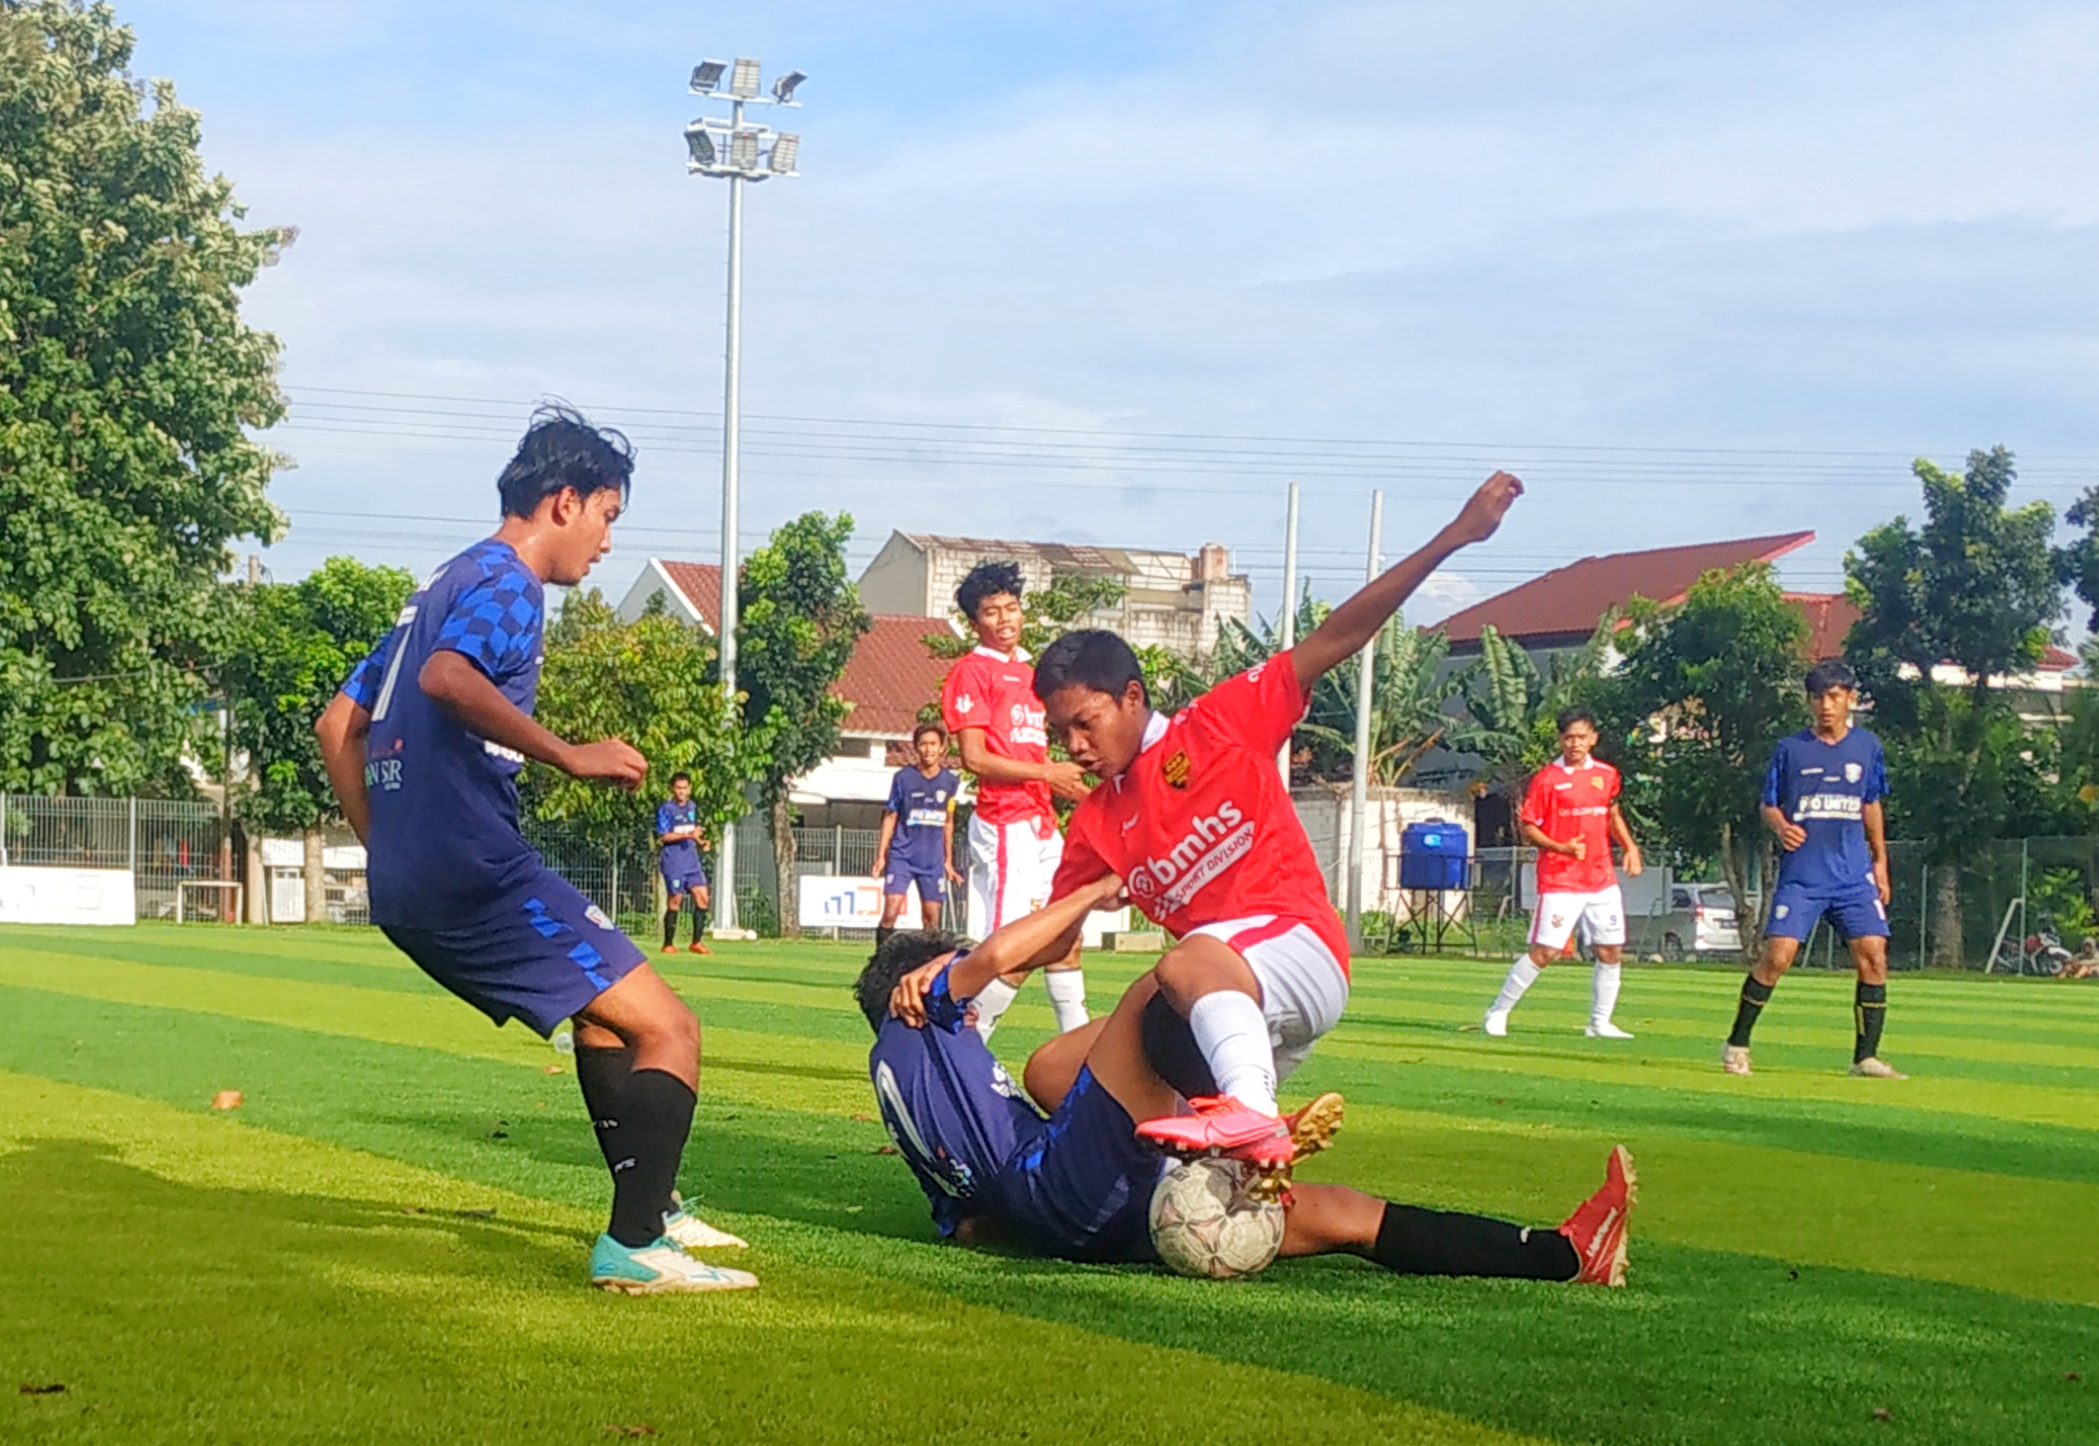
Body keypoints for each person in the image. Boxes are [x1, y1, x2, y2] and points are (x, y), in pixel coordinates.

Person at [313, 404, 755, 1294]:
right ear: (565, 501)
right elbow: (447, 679)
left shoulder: (438, 582)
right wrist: (570, 754)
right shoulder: (509, 582)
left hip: (418, 875)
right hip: (474, 864)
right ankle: (634, 1247)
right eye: (608, 518)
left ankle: (654, 1208)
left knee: (606, 1017)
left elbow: (336, 725)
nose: (603, 544)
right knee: (672, 1028)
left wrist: (387, 845)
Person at [1030, 473, 1525, 1167]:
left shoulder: (1219, 723)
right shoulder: (1096, 822)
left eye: (1085, 723)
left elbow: (1338, 636)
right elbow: (1053, 943)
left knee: (1187, 957)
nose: (1075, 747)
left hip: (1299, 956)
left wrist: (1453, 537)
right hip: (1218, 1011)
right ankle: (1194, 1187)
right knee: (1052, 1071)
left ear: (1132, 697)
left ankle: (1252, 1119)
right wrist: (967, 972)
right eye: (1062, 735)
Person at [856, 898, 1634, 1285]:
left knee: (1338, 1213)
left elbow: (969, 1232)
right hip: (1061, 1184)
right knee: (1152, 990)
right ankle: (1244, 1105)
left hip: (1075, 1221)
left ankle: (1564, 1255)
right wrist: (1101, 882)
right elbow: (1000, 953)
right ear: (919, 984)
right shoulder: (928, 1006)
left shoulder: (903, 1073)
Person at [1722, 660, 1902, 1079]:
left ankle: (1865, 1057)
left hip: (1852, 873)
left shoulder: (1867, 747)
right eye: (1818, 696)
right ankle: (1737, 1044)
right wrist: (1782, 826)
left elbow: (1870, 802)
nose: (1826, 705)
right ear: (1809, 701)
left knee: (1874, 955)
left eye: (1835, 696)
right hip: (1804, 875)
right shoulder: (1791, 749)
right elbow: (1768, 803)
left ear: (1849, 699)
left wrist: (1880, 860)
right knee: (1777, 957)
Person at [941, 560, 1091, 1038]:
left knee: (1066, 935)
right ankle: (967, 1043)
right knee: (1013, 947)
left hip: (1041, 821)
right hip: (1005, 820)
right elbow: (975, 757)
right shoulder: (971, 672)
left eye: (1012, 607)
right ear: (974, 622)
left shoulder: (1032, 673)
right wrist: (1048, 773)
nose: (1005, 619)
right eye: (992, 611)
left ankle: (1079, 1047)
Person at [1482, 707, 1643, 1039]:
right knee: (1547, 952)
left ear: (1593, 739)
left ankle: (1599, 1023)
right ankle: (1498, 1012)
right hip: (1561, 879)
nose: (1575, 743)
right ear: (1560, 739)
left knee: (1610, 950)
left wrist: (1630, 847)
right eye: (1569, 737)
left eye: (1582, 737)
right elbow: (1528, 827)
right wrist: (1562, 847)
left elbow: (1612, 815)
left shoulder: (1607, 775)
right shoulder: (1547, 779)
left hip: (1600, 877)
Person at [871, 723, 963, 951]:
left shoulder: (950, 781)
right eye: (923, 744)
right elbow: (890, 817)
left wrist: (948, 861)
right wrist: (881, 856)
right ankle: (881, 960)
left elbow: (948, 822)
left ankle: (927, 966)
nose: (928, 749)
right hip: (902, 855)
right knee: (891, 909)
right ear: (916, 748)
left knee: (931, 917)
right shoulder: (903, 778)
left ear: (942, 748)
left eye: (933, 744)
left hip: (931, 860)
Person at [656, 771, 712, 955]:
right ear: (672, 789)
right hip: (674, 862)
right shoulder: (666, 809)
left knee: (702, 897)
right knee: (675, 901)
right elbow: (664, 836)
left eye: (684, 788)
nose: (681, 792)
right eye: (678, 788)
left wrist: (701, 841)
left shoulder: (692, 807)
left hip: (691, 860)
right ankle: (668, 944)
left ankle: (696, 942)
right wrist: (688, 835)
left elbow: (692, 831)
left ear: (689, 789)